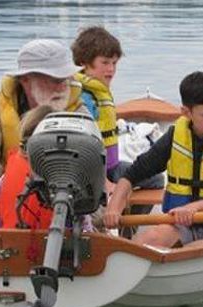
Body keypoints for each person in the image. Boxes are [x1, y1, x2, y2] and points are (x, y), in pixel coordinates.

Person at [103, 71, 203, 248]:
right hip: (178, 223)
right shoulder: (175, 135)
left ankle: (181, 258)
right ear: (186, 113)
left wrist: (196, 208)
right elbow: (132, 175)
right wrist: (114, 207)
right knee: (150, 239)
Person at [0, 39, 88, 219]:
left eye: (66, 79)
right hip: (10, 196)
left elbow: (89, 167)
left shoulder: (80, 114)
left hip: (63, 200)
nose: (62, 86)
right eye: (54, 79)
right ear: (25, 80)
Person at [70, 26, 164, 196]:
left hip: (111, 166)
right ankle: (128, 216)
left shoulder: (99, 90)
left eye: (114, 63)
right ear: (84, 61)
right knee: (157, 180)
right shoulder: (84, 98)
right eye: (105, 62)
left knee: (155, 177)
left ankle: (129, 218)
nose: (111, 69)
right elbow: (82, 146)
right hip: (99, 174)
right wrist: (105, 183)